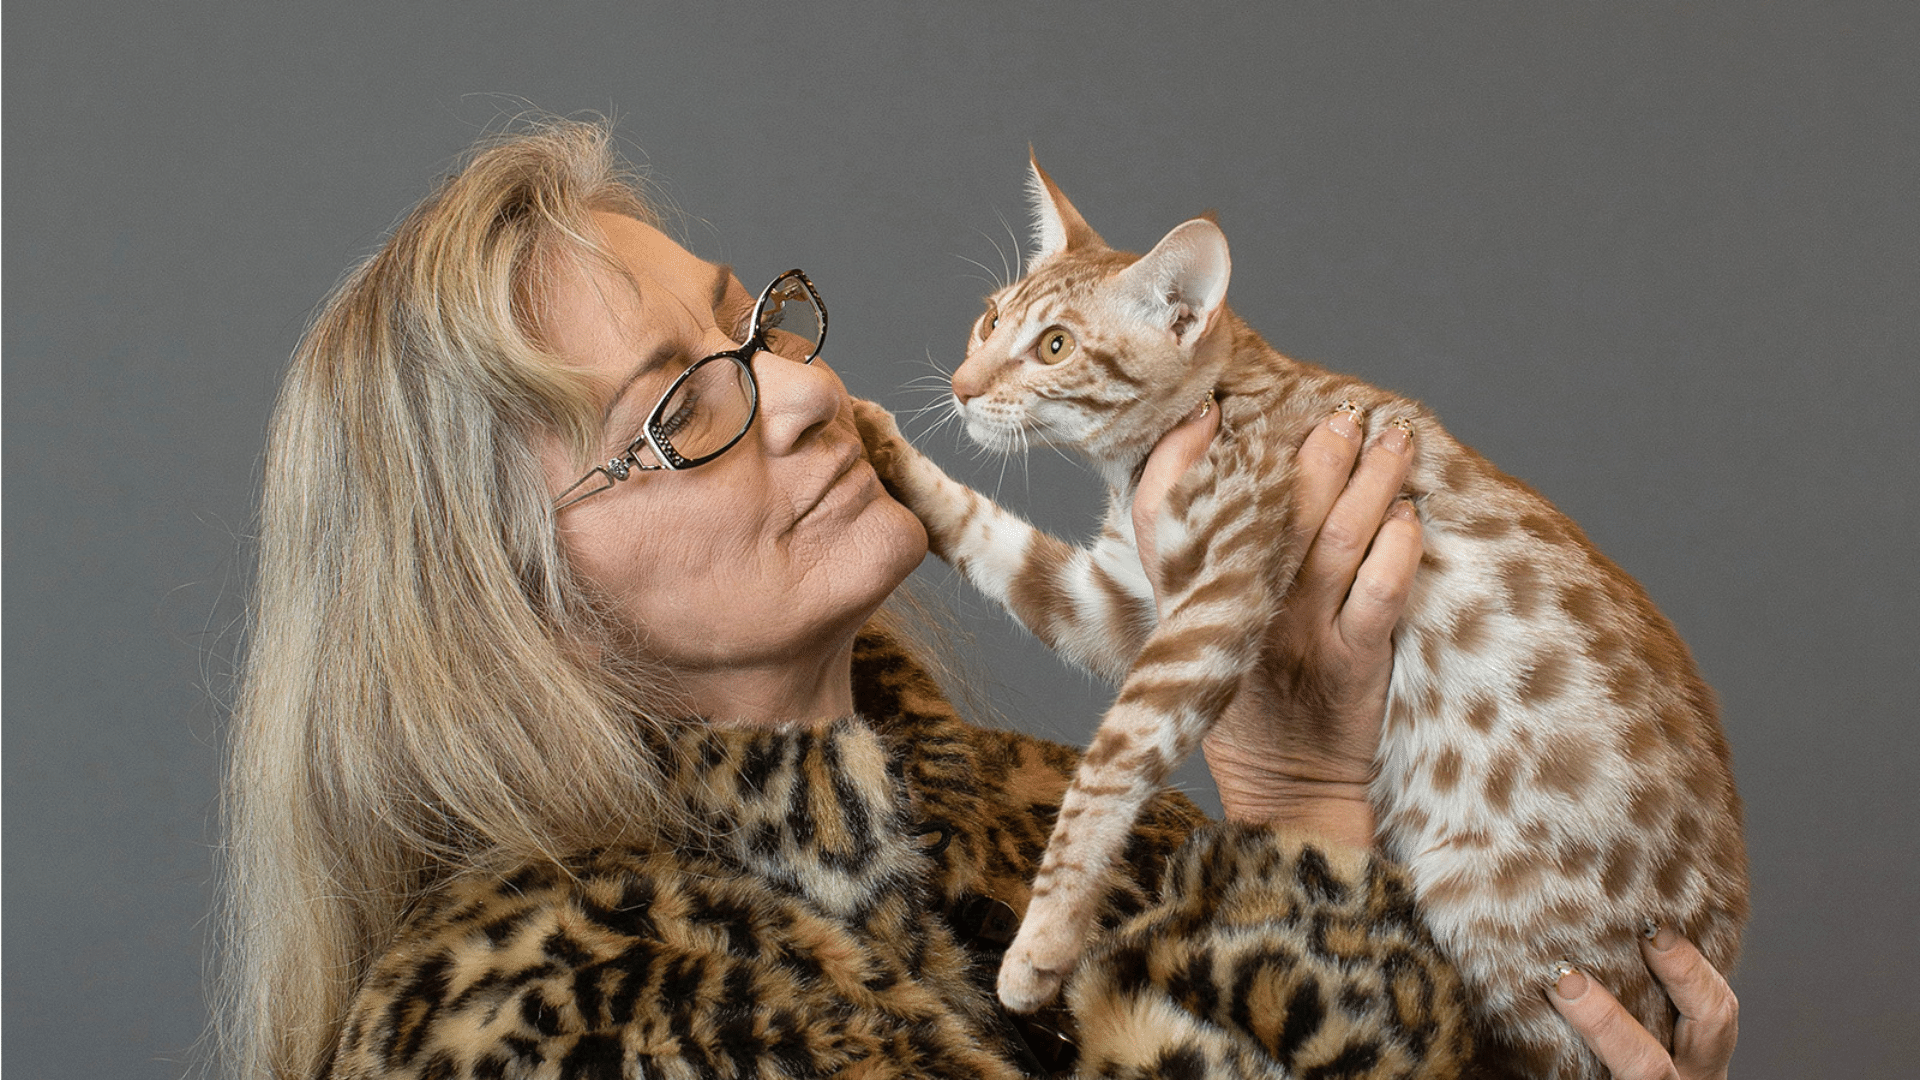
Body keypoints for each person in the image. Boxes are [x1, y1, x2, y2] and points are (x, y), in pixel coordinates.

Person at [217, 120, 1737, 1079]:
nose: (809, 392)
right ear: (513, 605)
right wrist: (1295, 810)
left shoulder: (1082, 829)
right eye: (677, 413)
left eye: (752, 326)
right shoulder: (532, 1017)